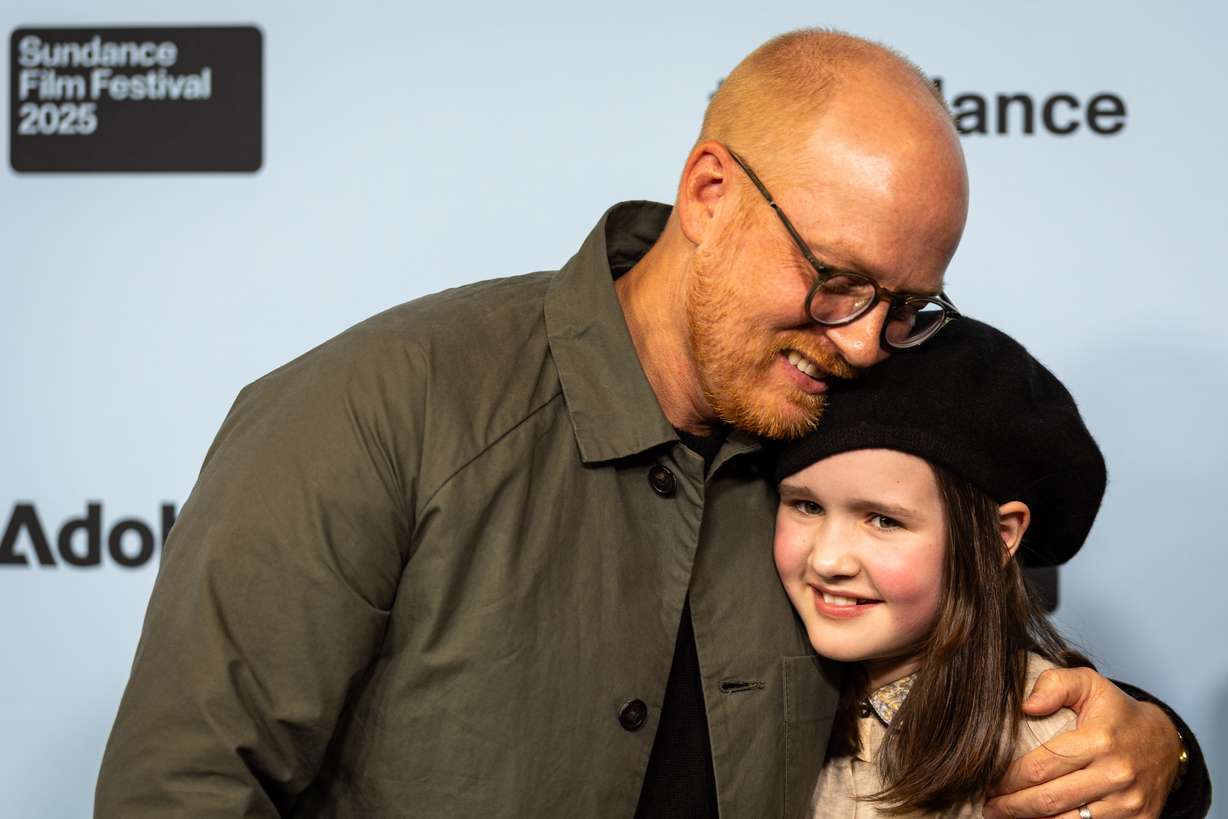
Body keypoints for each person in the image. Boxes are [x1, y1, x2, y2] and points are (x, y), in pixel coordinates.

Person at [94, 29, 1208, 818]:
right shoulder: (379, 406)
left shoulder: (858, 409)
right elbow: (185, 787)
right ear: (710, 192)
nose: (865, 341)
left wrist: (1163, 747)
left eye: (908, 305)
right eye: (837, 279)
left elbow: (995, 657)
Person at [772, 317, 1209, 818]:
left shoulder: (1054, 751)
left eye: (883, 520)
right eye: (806, 506)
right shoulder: (766, 692)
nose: (827, 560)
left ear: (1000, 536)